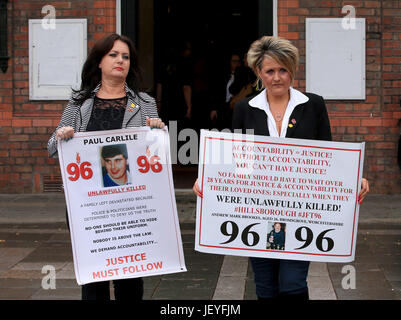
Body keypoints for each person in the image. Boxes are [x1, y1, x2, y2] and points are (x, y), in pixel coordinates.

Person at [193, 36, 370, 300]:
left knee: (292, 284)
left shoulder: (313, 105)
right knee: (265, 286)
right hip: (256, 210)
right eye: (270, 71)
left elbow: (328, 153)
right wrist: (207, 179)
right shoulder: (244, 108)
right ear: (259, 73)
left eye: (283, 70)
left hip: (302, 212)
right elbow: (234, 158)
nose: (277, 77)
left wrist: (353, 178)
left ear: (293, 70)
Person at [47, 33, 165, 300]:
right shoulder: (79, 103)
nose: (120, 60)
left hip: (130, 203)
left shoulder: (145, 103)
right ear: (99, 62)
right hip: (89, 205)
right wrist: (63, 135)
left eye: (125, 56)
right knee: (93, 277)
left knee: (130, 276)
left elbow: (155, 156)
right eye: (113, 55)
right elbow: (52, 146)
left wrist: (159, 133)